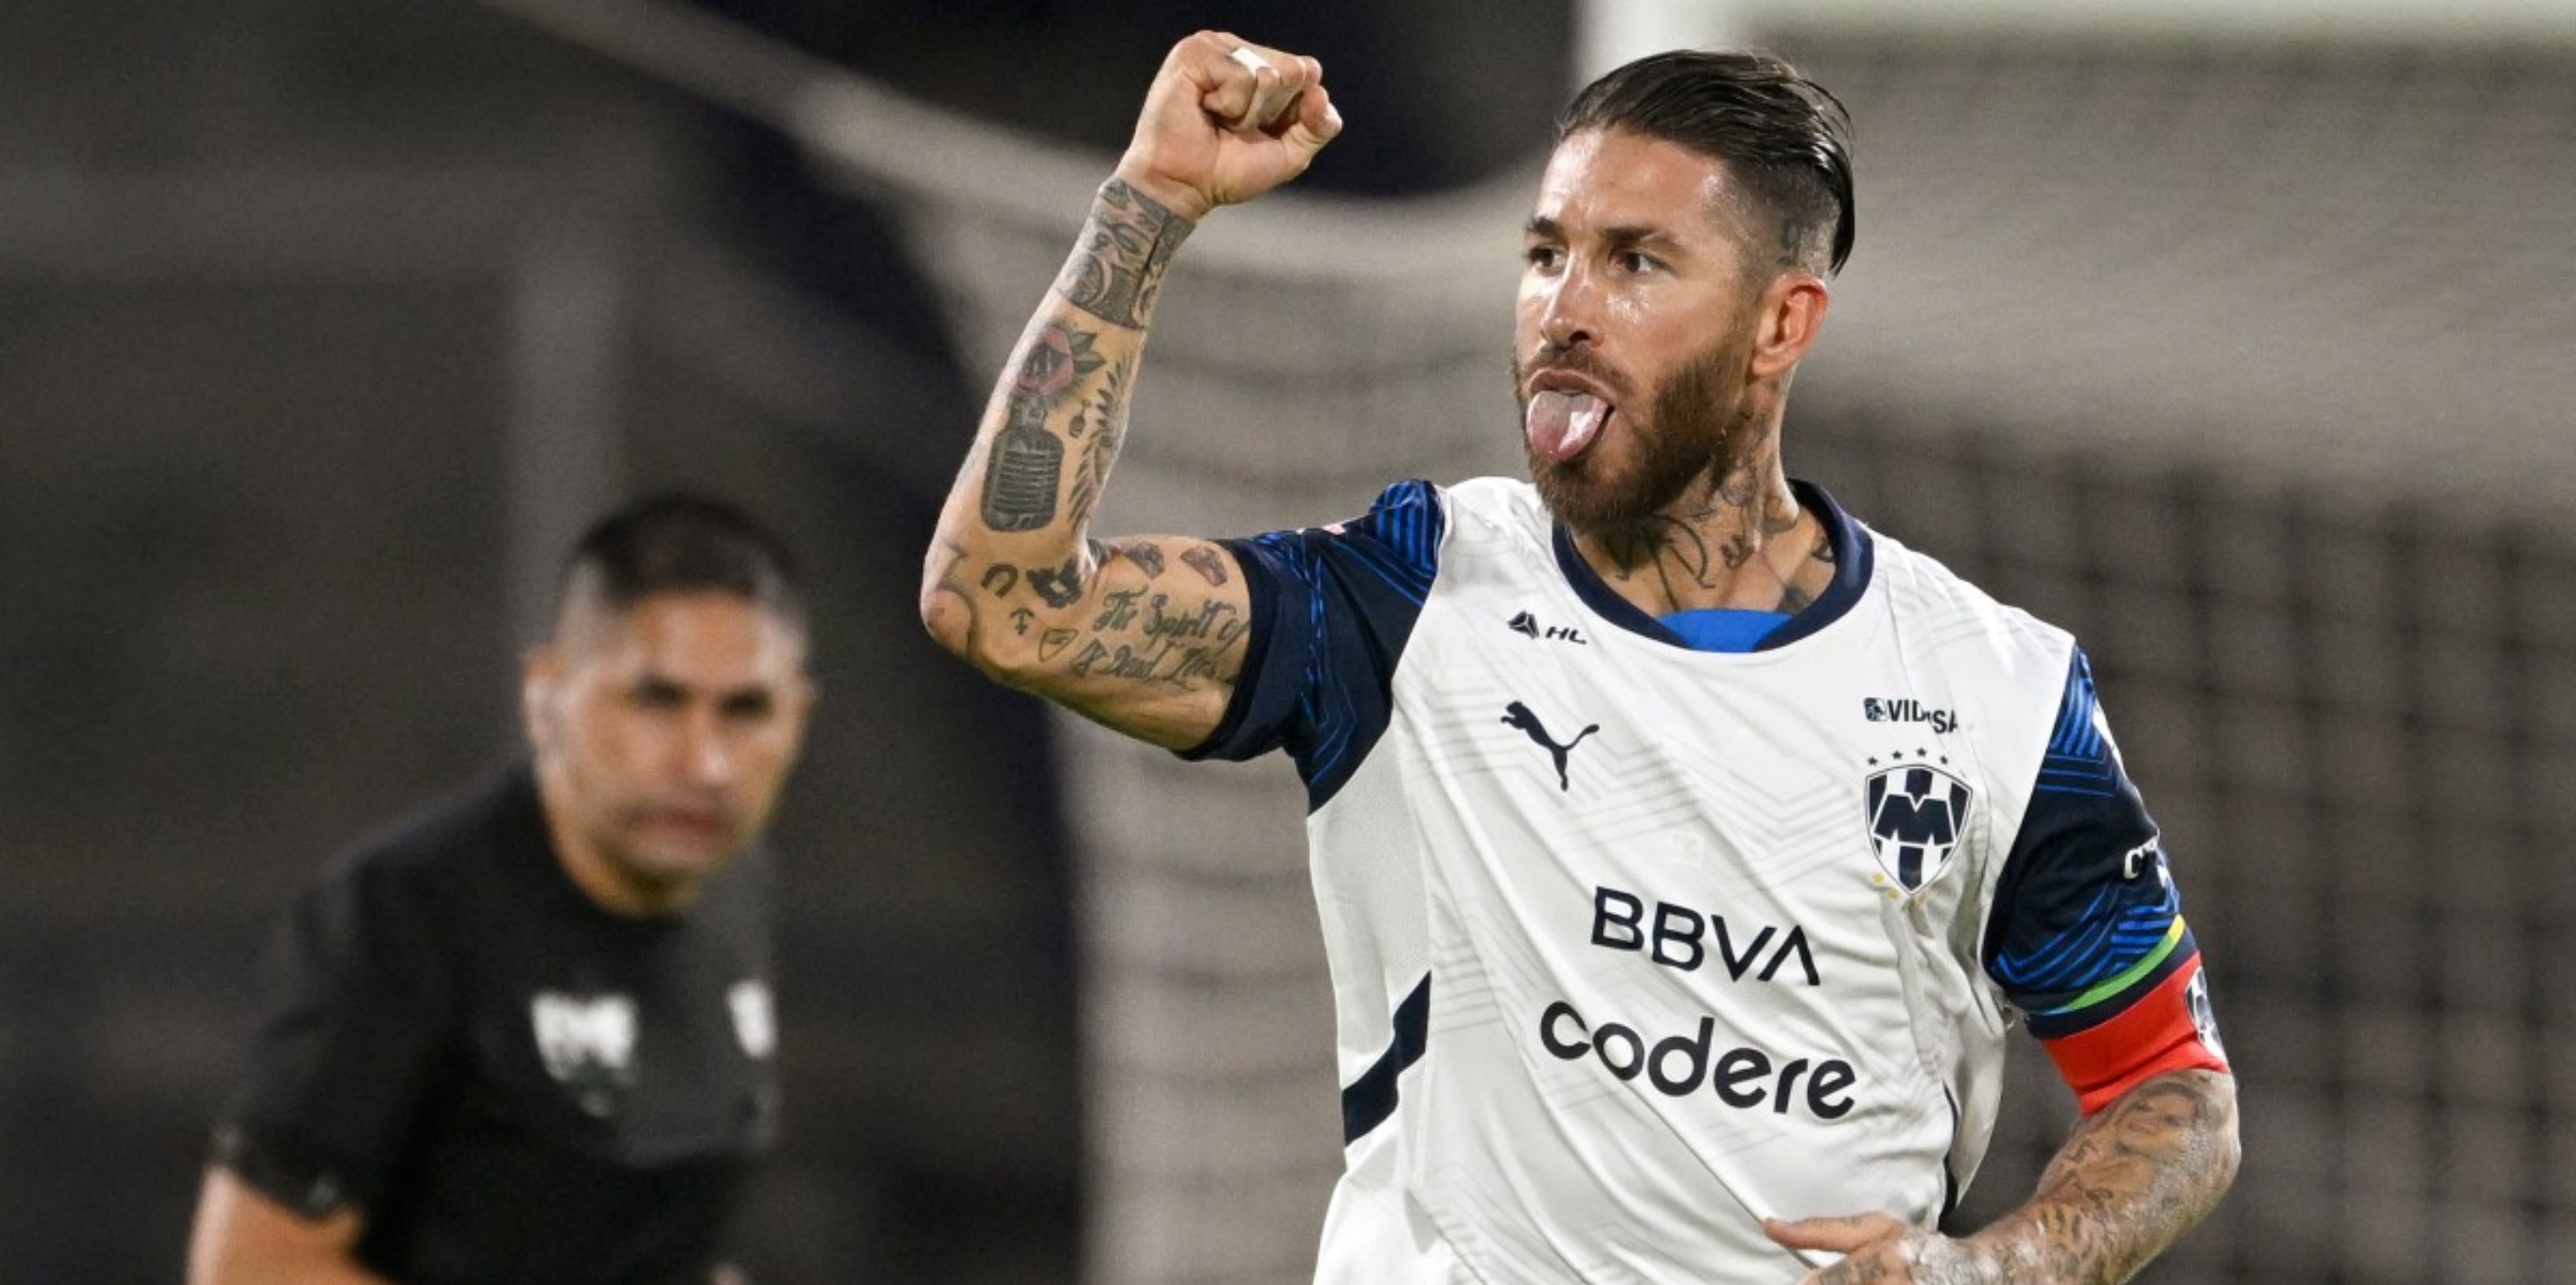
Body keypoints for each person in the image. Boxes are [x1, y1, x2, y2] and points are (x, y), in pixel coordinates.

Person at [920, 30, 2239, 1285]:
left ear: (1779, 325)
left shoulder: (1994, 692)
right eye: (1545, 254)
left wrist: (1998, 1264)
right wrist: (1148, 203)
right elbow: (1005, 603)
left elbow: (2173, 1087)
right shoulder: (1410, 596)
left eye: (1635, 263)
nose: (1563, 309)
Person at [188, 493, 817, 1285]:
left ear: (799, 716)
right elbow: (251, 1268)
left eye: (746, 710)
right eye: (656, 701)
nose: (706, 762)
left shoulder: (734, 888)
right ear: (546, 694)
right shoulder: (406, 916)